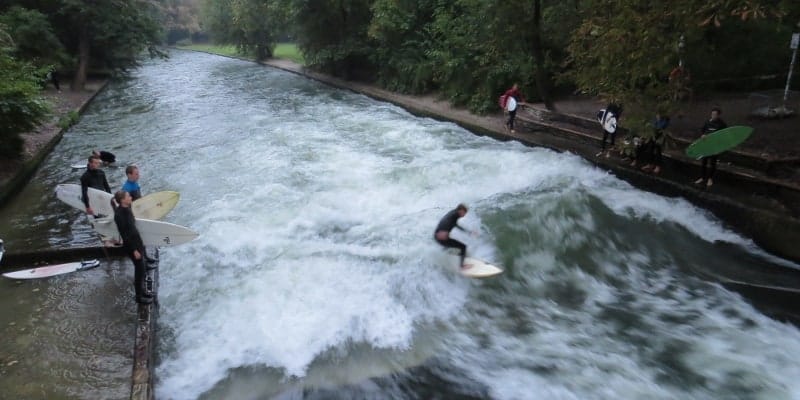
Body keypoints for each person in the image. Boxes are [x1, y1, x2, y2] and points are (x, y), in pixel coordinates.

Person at [113, 191, 155, 304]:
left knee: (142, 267)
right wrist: (134, 250)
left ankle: (142, 291)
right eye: (128, 196)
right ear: (122, 200)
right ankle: (138, 297)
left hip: (137, 241)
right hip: (131, 245)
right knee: (139, 270)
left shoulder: (127, 207)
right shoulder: (119, 215)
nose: (130, 197)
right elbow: (124, 234)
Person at [694, 107, 727, 187]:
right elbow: (702, 130)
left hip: (715, 146)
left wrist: (720, 146)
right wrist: (702, 135)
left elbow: (725, 135)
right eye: (712, 114)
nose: (713, 115)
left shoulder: (722, 124)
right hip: (706, 145)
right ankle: (702, 177)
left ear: (718, 115)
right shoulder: (707, 122)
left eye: (715, 114)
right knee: (704, 162)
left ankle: (710, 179)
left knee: (712, 163)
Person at [434, 204, 472, 269]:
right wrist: (444, 231)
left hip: (438, 236)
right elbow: (446, 221)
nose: (464, 215)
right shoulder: (454, 215)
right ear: (460, 210)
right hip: (441, 237)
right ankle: (462, 266)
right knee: (463, 247)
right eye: (464, 213)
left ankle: (452, 257)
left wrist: (468, 232)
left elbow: (454, 224)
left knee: (448, 248)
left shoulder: (454, 213)